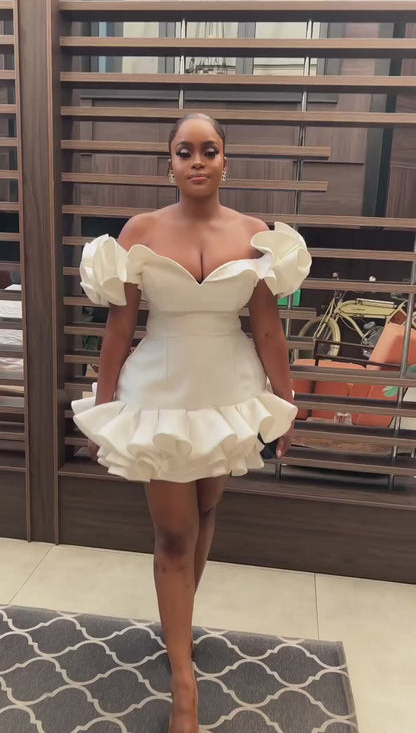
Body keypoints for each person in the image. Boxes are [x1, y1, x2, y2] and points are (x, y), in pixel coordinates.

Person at [72, 113, 311, 733]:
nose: (197, 160)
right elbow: (120, 328)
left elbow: (267, 329)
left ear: (226, 161)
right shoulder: (140, 230)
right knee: (174, 535)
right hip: (160, 394)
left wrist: (285, 405)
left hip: (230, 394)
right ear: (170, 164)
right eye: (185, 151)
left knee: (206, 510)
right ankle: (184, 687)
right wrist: (103, 409)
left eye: (209, 150)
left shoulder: (256, 235)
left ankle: (178, 630)